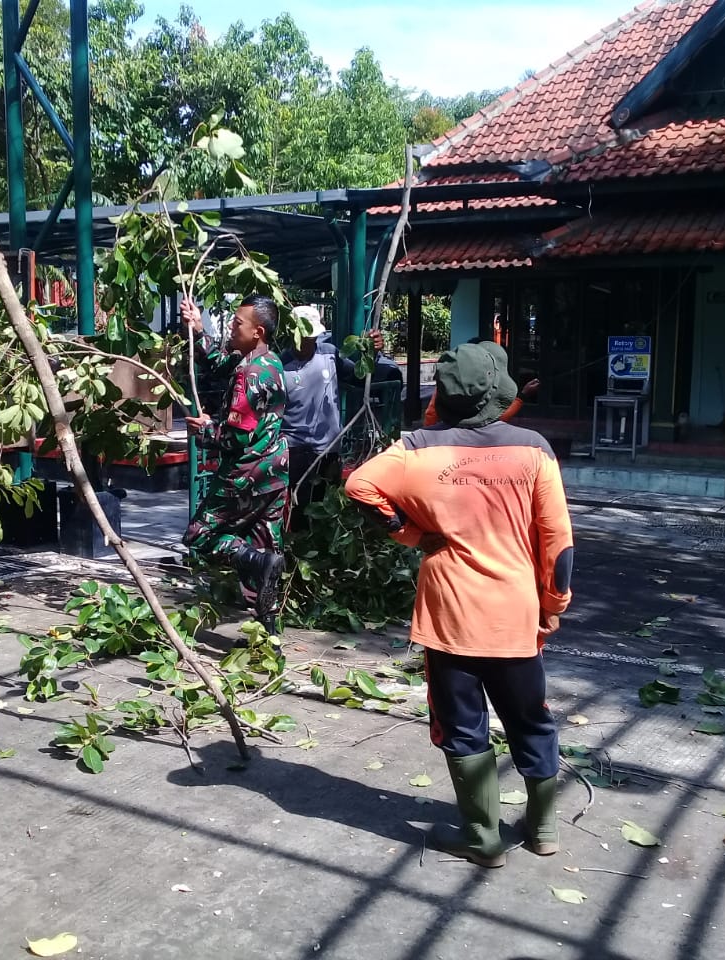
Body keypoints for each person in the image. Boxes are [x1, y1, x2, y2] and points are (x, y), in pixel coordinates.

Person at [345, 340, 574, 867]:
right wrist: (553, 603)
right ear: (502, 392)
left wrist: (412, 535)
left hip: (449, 619)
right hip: (515, 617)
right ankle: (542, 830)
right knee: (532, 720)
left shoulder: (418, 449)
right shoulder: (534, 449)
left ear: (443, 395)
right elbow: (557, 544)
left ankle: (482, 838)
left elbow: (360, 485)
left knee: (464, 727)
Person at [181, 295, 289, 631]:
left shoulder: (250, 375)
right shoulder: (269, 361)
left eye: (237, 323)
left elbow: (236, 437)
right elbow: (219, 360)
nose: (231, 326)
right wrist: (198, 330)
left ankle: (255, 560)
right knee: (265, 552)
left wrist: (207, 429)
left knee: (199, 536)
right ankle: (268, 637)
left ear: (257, 331)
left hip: (245, 473)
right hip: (275, 472)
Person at [280, 305, 385, 525]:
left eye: (312, 337)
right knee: (299, 513)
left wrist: (372, 353)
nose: (308, 342)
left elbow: (359, 376)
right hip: (297, 451)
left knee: (327, 513)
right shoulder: (280, 365)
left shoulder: (330, 354)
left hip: (329, 449)